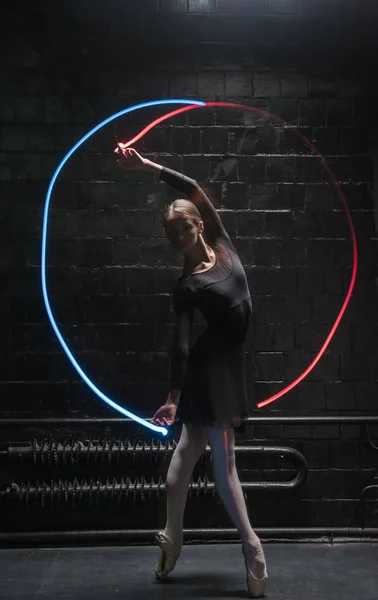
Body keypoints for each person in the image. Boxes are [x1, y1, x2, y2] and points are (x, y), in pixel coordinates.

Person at [115, 146, 268, 598]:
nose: (177, 240)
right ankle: (250, 548)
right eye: (171, 236)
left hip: (224, 364)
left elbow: (193, 188)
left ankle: (174, 540)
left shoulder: (220, 240)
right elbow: (181, 345)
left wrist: (147, 166)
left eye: (181, 231)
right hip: (210, 369)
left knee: (196, 459)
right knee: (216, 465)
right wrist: (173, 397)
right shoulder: (188, 286)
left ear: (199, 225)